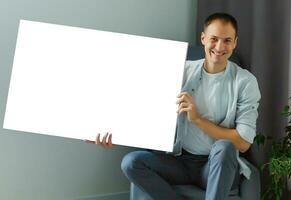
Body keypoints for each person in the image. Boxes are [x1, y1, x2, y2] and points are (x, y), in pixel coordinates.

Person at [85, 13, 261, 200]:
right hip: (179, 162)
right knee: (131, 162)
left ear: (235, 43)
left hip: (216, 166)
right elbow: (139, 106)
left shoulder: (245, 82)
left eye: (227, 41)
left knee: (226, 147)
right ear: (203, 39)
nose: (219, 47)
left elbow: (243, 143)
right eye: (214, 39)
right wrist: (111, 132)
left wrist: (198, 120)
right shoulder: (179, 70)